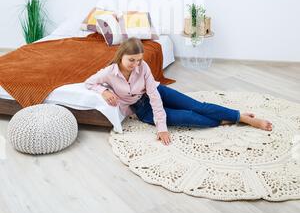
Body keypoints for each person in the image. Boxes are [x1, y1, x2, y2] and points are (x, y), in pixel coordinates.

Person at [85, 37, 272, 145]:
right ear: (121, 57)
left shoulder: (144, 68)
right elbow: (89, 83)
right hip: (143, 111)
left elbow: (155, 97)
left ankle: (243, 117)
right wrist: (104, 91)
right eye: (131, 60)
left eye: (139, 60)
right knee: (190, 117)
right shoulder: (109, 73)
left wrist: (162, 127)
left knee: (198, 106)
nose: (136, 65)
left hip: (158, 93)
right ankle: (224, 119)